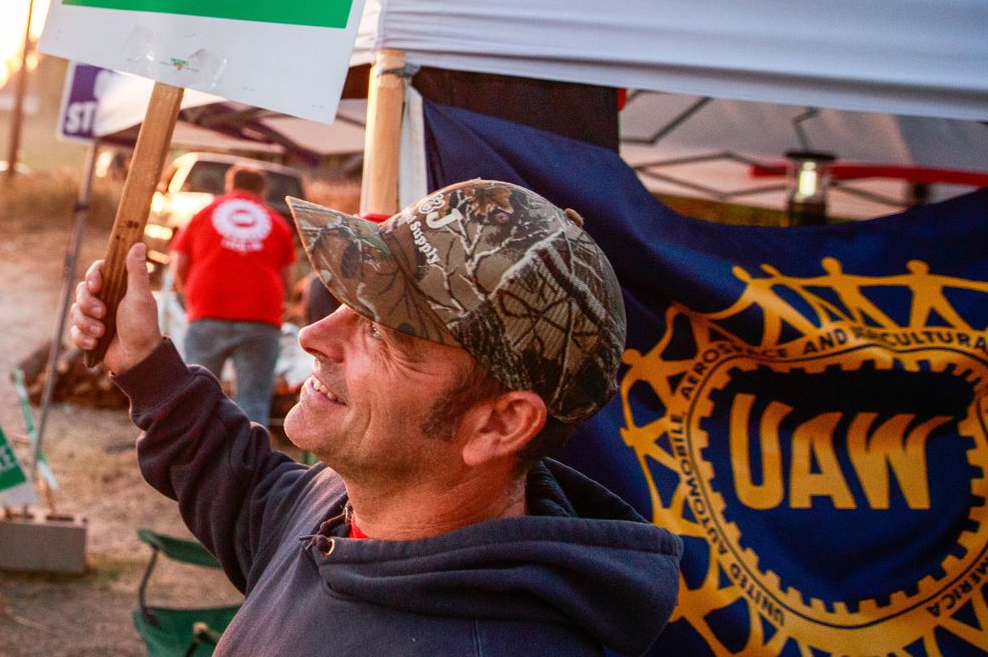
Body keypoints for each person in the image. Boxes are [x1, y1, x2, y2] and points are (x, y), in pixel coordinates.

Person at [69, 180, 683, 655]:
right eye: (346, 304)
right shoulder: (350, 511)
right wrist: (145, 363)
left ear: (499, 424)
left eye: (387, 333)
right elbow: (251, 497)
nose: (312, 334)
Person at [169, 165, 296, 424]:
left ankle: (195, 457)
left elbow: (179, 261)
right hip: (261, 317)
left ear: (229, 184)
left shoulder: (202, 215)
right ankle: (249, 461)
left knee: (198, 396)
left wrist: (188, 292)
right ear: (262, 190)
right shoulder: (278, 223)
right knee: (253, 400)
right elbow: (288, 279)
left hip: (207, 311)